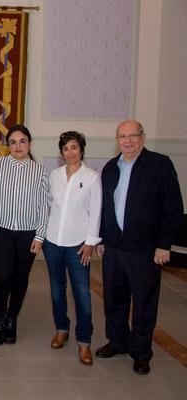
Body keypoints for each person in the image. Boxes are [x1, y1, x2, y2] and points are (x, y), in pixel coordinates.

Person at [95, 120, 183, 375]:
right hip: (114, 248)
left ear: (143, 137)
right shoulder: (111, 168)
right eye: (123, 136)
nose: (128, 140)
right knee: (113, 299)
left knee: (144, 302)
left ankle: (141, 352)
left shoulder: (160, 165)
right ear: (117, 140)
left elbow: (173, 208)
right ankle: (118, 341)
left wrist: (163, 245)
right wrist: (103, 238)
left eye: (133, 135)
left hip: (145, 249)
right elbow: (106, 207)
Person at [43, 131, 101, 365]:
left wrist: (90, 242)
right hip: (53, 241)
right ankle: (61, 329)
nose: (70, 152)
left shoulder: (92, 177)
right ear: (61, 152)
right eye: (66, 148)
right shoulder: (54, 175)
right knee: (57, 289)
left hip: (78, 245)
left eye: (74, 147)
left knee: (82, 294)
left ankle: (84, 342)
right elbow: (48, 205)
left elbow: (96, 212)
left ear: (82, 150)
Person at [0, 124, 48, 345]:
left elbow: (44, 206)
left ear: (29, 143)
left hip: (27, 234)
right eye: (13, 142)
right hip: (1, 232)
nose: (18, 146)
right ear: (8, 145)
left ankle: (12, 319)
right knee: (2, 276)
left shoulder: (39, 171)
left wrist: (39, 236)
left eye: (22, 141)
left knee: (20, 278)